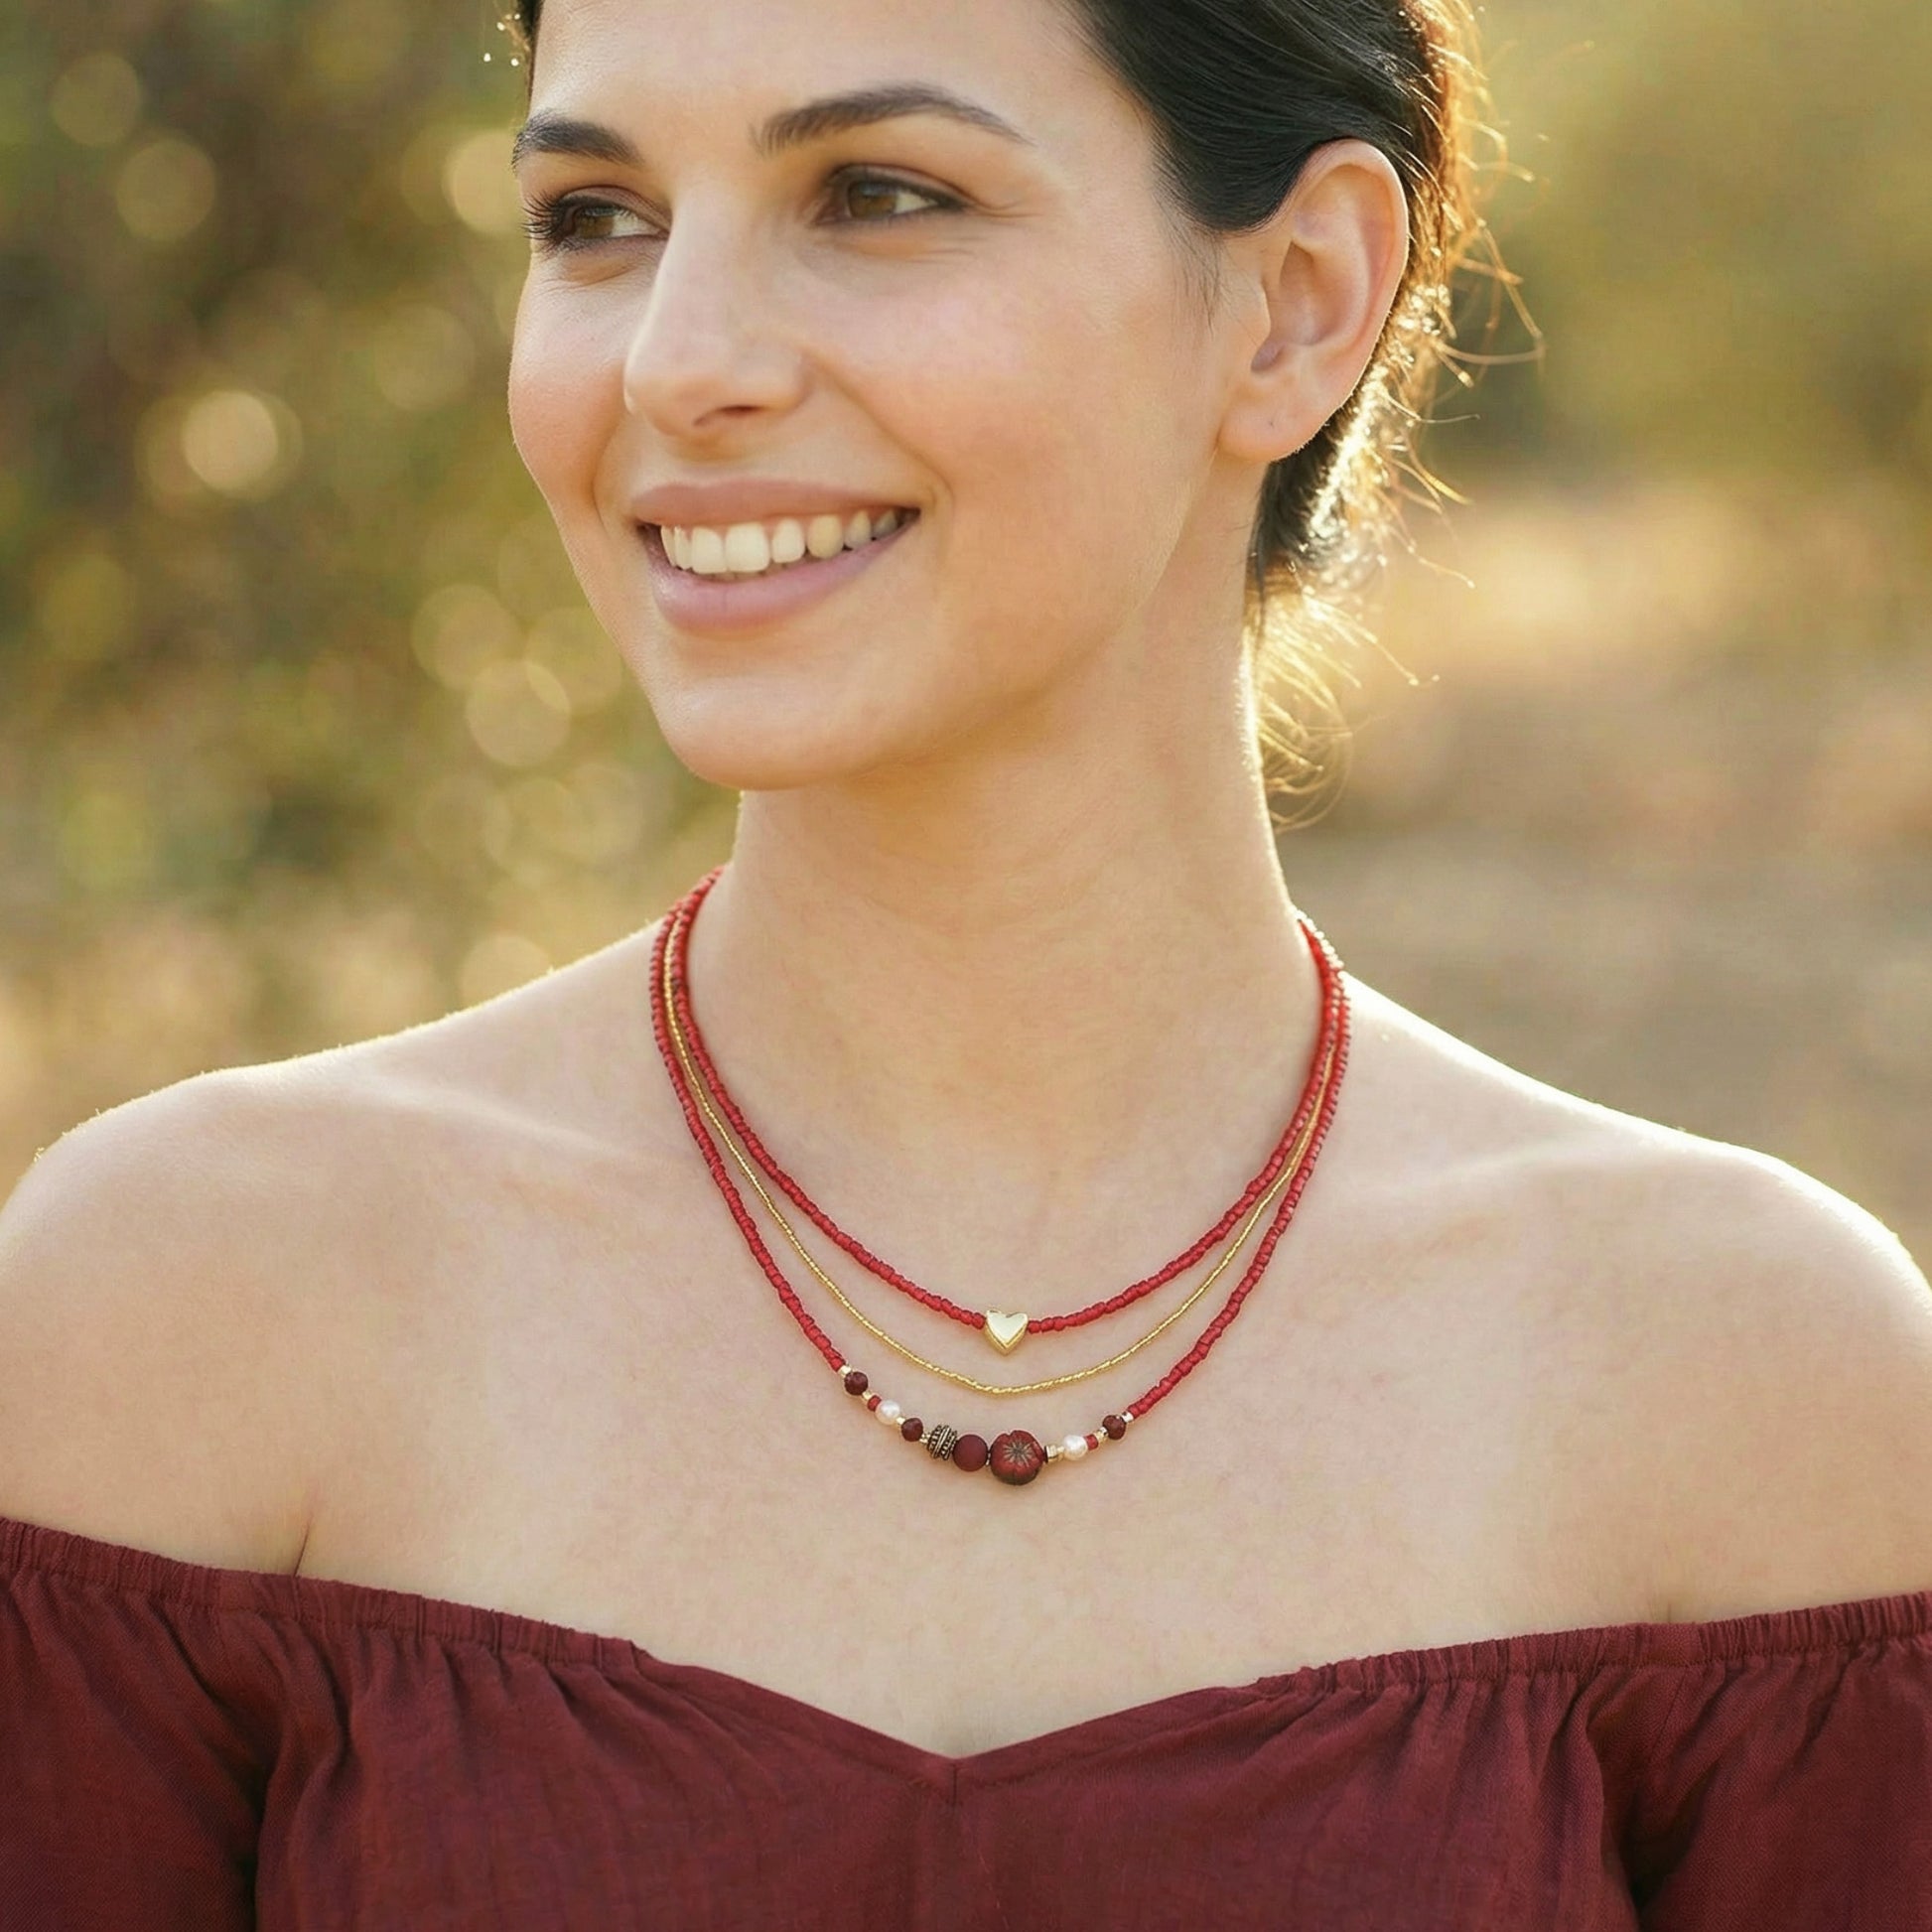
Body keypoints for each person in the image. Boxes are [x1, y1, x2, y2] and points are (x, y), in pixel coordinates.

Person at [3, 0, 1929, 1923]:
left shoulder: (1754, 1398)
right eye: (595, 218)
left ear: (1297, 302)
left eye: (879, 192)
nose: (679, 365)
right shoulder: (184, 1321)